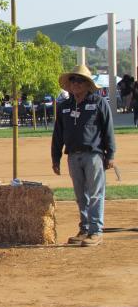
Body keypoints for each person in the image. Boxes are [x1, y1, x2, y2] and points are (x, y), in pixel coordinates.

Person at [51, 65, 116, 247]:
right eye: (73, 80)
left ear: (88, 84)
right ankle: (85, 228)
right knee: (81, 195)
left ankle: (96, 231)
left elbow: (108, 129)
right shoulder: (64, 106)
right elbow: (58, 134)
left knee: (95, 193)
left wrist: (110, 154)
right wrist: (55, 158)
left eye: (80, 80)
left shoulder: (98, 103)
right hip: (72, 156)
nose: (76, 84)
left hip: (93, 155)